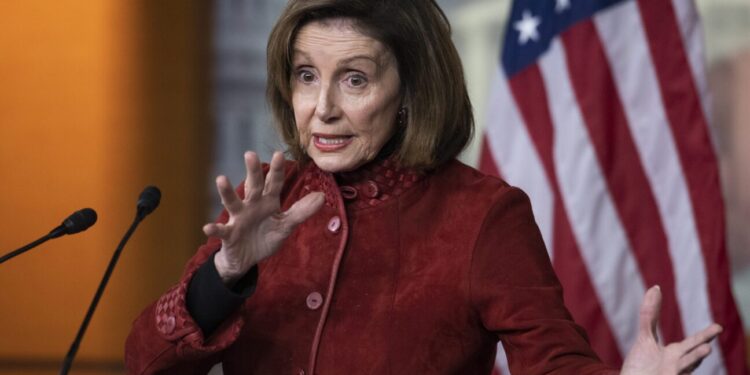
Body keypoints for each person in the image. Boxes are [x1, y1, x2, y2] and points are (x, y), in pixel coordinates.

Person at [125, 0, 722, 374]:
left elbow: (553, 363)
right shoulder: (268, 203)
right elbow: (143, 363)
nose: (322, 109)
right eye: (307, 76)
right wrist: (224, 277)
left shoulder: (484, 215)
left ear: (411, 92)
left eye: (353, 79)